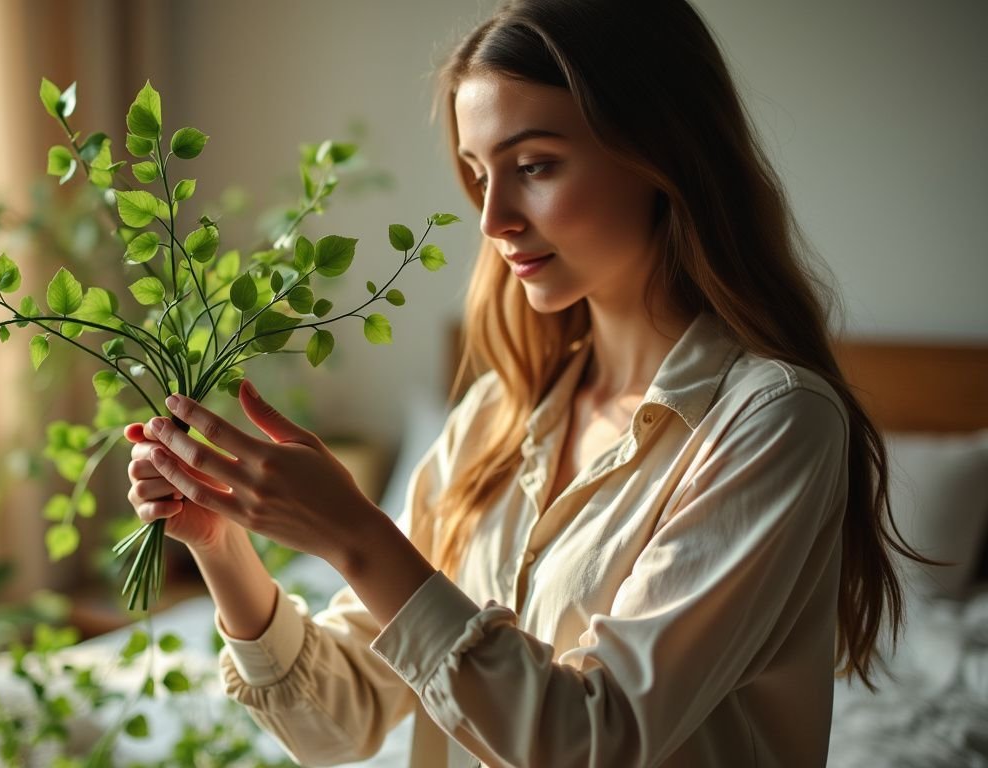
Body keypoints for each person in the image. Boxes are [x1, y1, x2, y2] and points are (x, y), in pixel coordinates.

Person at [122, 0, 922, 765]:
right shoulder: (498, 416)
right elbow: (342, 720)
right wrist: (222, 544)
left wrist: (355, 535)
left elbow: (594, 742)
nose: (492, 217)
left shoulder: (774, 423)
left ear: (662, 154)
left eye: (535, 165)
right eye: (478, 173)